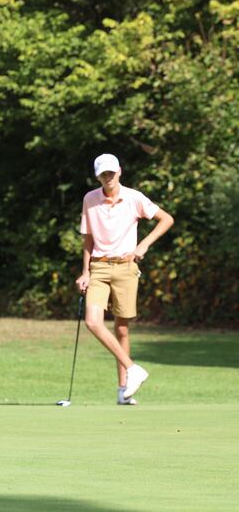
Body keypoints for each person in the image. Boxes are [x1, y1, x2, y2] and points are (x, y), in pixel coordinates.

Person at [75, 153, 174, 404]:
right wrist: (85, 271)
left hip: (126, 268)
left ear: (119, 171)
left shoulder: (134, 197)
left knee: (121, 328)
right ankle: (133, 369)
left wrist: (144, 246)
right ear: (97, 176)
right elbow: (88, 238)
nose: (108, 178)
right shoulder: (90, 199)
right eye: (103, 174)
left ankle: (123, 391)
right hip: (98, 267)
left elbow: (166, 219)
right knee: (93, 322)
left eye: (111, 173)